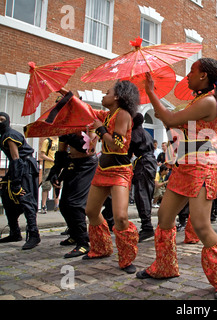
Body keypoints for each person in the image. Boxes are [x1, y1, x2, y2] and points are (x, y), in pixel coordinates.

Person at [136, 58, 217, 300]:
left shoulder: (209, 102)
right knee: (164, 217)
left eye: (192, 71)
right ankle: (165, 267)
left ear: (203, 76)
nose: (188, 76)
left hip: (202, 166)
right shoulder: (200, 100)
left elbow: (170, 120)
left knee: (202, 226)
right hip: (185, 165)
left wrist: (151, 92)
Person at [58, 81, 140, 274]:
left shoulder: (123, 115)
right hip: (103, 170)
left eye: (107, 92)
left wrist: (101, 129)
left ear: (118, 97)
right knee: (91, 211)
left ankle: (127, 259)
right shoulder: (108, 114)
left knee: (120, 217)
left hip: (120, 171)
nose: (104, 95)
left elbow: (117, 145)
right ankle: (102, 248)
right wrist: (62, 90)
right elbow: (84, 108)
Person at [48, 130, 98, 258]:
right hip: (72, 164)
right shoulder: (65, 129)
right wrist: (55, 171)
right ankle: (75, 235)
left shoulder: (89, 127)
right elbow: (61, 152)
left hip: (87, 165)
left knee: (75, 203)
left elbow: (88, 149)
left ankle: (83, 242)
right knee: (64, 204)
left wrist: (75, 133)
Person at [0, 112, 40, 250]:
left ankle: (34, 234)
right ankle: (15, 232)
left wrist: (16, 182)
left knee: (25, 198)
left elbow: (16, 158)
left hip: (25, 167)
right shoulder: (4, 135)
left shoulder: (9, 135)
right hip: (18, 167)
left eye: (2, 120)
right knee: (6, 198)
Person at [128, 113, 157, 242]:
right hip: (148, 162)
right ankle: (146, 224)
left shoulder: (135, 133)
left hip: (144, 163)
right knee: (146, 192)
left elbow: (127, 151)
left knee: (142, 193)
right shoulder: (145, 133)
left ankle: (147, 226)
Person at [39, 136, 60, 213]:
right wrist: (53, 160)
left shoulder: (59, 140)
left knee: (57, 185)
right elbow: (42, 155)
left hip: (57, 167)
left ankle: (56, 205)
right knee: (46, 186)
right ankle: (43, 206)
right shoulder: (47, 141)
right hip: (48, 167)